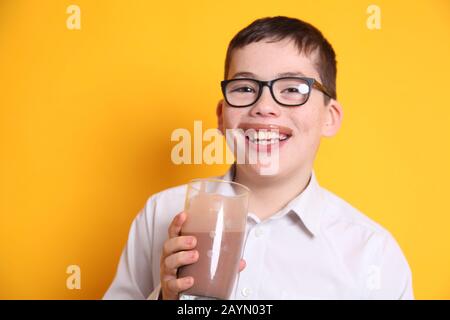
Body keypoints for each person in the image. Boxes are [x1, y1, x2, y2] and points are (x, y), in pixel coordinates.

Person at [103, 16, 413, 300]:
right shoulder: (161, 213)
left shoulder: (373, 254)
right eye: (245, 88)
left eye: (292, 88)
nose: (264, 106)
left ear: (329, 117)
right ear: (222, 117)